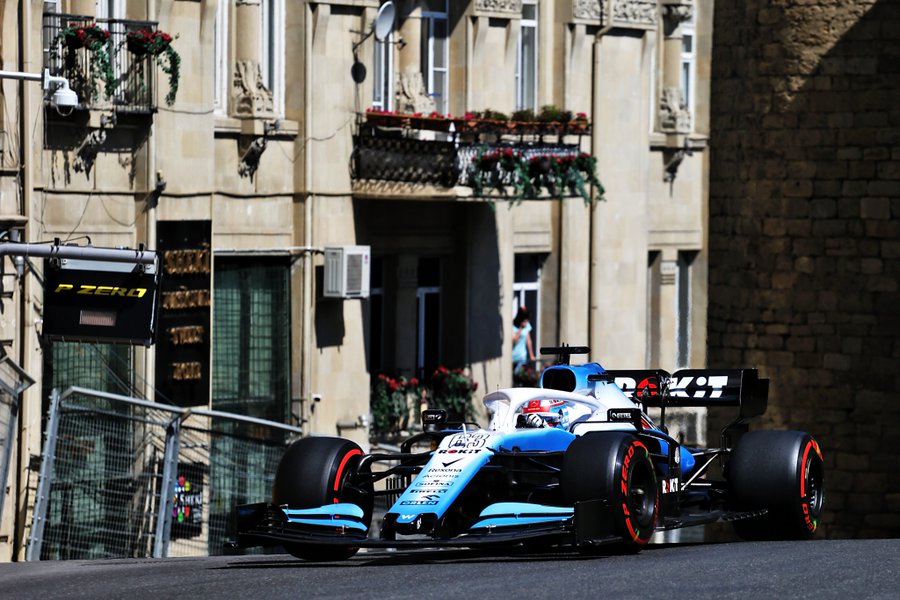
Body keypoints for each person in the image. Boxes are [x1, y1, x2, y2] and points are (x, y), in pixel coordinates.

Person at [512, 306, 536, 373]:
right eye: (524, 320)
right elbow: (514, 341)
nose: (526, 321)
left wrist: (531, 355)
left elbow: (528, 340)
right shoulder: (513, 325)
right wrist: (521, 328)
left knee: (521, 375)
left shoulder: (527, 325)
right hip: (513, 357)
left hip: (522, 356)